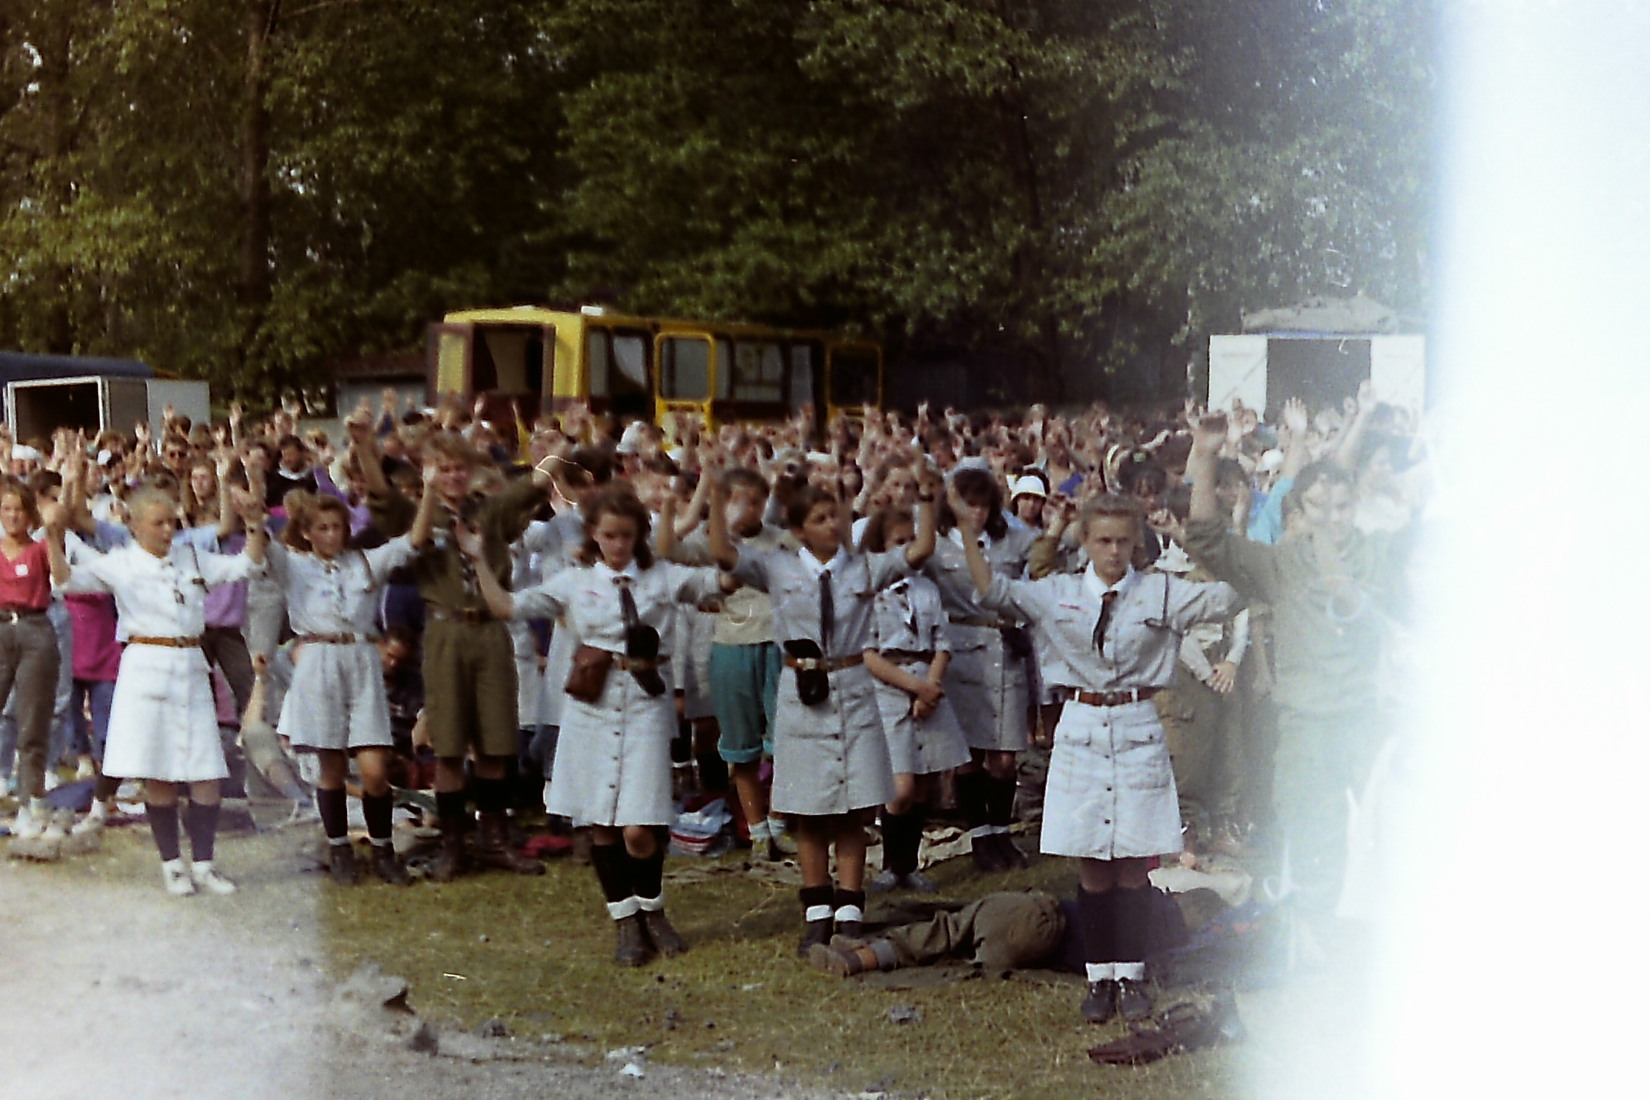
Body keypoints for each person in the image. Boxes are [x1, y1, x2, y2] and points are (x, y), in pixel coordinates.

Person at [953, 489, 1240, 1024]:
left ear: (1135, 544)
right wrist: (967, 531)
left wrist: (1187, 535)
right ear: (1084, 540)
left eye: (1124, 541)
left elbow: (1228, 597)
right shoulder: (1058, 592)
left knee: (1133, 863)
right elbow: (992, 591)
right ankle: (1099, 976)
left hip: (1136, 723)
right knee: (1092, 862)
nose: (1113, 552)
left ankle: (1131, 975)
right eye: (1103, 540)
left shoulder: (1159, 592)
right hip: (1082, 724)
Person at [463, 482, 730, 965]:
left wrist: (723, 532)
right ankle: (625, 921)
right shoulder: (575, 582)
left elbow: (720, 583)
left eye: (627, 535)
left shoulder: (662, 577)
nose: (618, 544)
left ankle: (653, 909)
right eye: (609, 535)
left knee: (640, 825)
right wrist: (480, 559)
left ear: (640, 535)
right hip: (593, 705)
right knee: (600, 820)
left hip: (645, 701)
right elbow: (507, 606)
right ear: (593, 534)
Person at [1183, 413, 1410, 922]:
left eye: (1342, 506)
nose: (1333, 517)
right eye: (1318, 507)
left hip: (1368, 721)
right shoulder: (1282, 564)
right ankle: (1316, 932)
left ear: (1355, 504)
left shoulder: (1378, 554)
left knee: (1386, 836)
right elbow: (1208, 540)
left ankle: (1383, 932)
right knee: (1311, 835)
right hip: (1306, 725)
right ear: (1299, 511)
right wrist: (1206, 457)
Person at [712, 469, 939, 955]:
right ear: (798, 529)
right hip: (802, 689)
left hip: (852, 686)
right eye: (819, 518)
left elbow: (920, 549)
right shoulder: (778, 567)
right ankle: (817, 909)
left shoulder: (863, 568)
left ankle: (850, 907)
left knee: (855, 809)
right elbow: (724, 555)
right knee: (809, 810)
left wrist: (923, 497)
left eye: (834, 515)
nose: (832, 524)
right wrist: (713, 499)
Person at [355, 426, 557, 881]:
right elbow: (380, 492)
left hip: (489, 628)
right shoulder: (418, 514)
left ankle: (495, 838)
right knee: (447, 745)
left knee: (495, 740)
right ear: (428, 471)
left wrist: (555, 454)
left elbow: (531, 487)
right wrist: (366, 447)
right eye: (443, 469)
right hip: (445, 629)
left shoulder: (488, 511)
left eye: (459, 468)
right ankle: (452, 845)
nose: (453, 476)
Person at [45, 487, 269, 896]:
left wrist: (254, 524)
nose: (168, 530)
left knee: (205, 770)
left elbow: (247, 565)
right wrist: (53, 537)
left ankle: (204, 863)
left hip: (190, 664)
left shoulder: (192, 557)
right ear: (134, 526)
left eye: (172, 522)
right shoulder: (121, 562)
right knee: (158, 771)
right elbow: (65, 579)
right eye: (158, 523)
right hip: (147, 664)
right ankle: (172, 865)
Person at [264, 483, 437, 886]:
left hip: (360, 658)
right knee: (332, 766)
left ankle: (383, 849)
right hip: (319, 658)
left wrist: (428, 490)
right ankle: (339, 847)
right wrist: (254, 500)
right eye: (322, 528)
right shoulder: (294, 564)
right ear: (307, 532)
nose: (331, 535)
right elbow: (262, 549)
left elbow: (413, 540)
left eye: (338, 527)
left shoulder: (364, 562)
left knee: (374, 769)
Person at [923, 466, 1040, 872]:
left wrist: (1062, 523)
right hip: (961, 649)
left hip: (1003, 648)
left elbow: (1048, 549)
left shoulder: (1009, 542)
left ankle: (1001, 830)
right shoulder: (938, 546)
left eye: (983, 505)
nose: (976, 513)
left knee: (1005, 756)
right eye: (968, 504)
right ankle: (980, 836)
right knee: (968, 753)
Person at [859, 507, 969, 893]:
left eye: (911, 541)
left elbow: (942, 643)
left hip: (927, 681)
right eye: (898, 542)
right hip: (890, 685)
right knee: (900, 785)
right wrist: (914, 687)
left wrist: (931, 686)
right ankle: (891, 863)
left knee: (922, 783)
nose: (907, 549)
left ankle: (909, 864)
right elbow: (868, 654)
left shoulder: (926, 589)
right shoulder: (869, 592)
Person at [0, 479, 64, 842]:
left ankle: (28, 803)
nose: (12, 516)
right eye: (6, 509)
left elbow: (62, 577)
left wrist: (52, 535)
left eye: (19, 510)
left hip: (35, 628)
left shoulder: (38, 548)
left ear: (29, 515)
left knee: (32, 722)